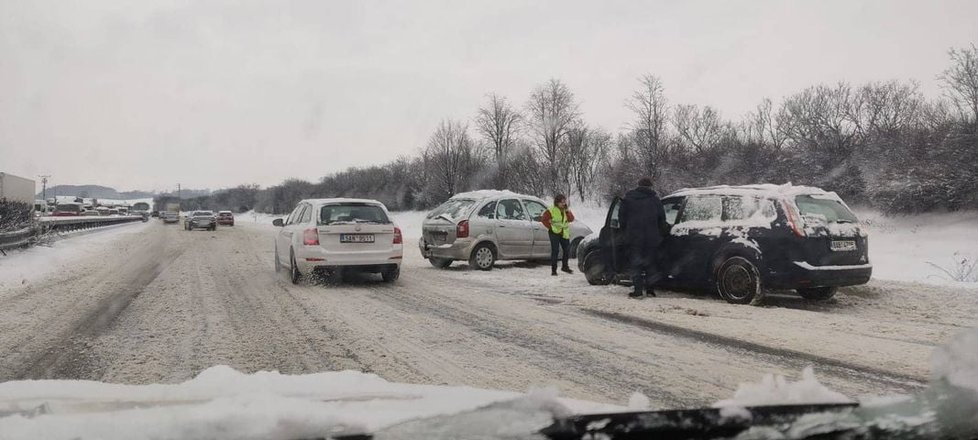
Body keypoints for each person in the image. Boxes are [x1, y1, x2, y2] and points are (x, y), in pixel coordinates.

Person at [619, 177, 669, 298]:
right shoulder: (655, 200)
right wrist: (661, 233)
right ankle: (650, 290)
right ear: (650, 186)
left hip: (634, 238)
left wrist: (626, 231)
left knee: (636, 264)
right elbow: (662, 219)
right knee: (650, 264)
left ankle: (638, 291)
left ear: (638, 185)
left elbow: (622, 218)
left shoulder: (629, 199)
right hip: (651, 239)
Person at [541, 194, 576, 276]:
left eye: (564, 202)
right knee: (555, 251)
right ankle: (554, 270)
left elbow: (571, 219)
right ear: (557, 202)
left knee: (567, 250)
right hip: (554, 233)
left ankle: (565, 267)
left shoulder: (565, 210)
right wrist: (551, 227)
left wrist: (567, 211)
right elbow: (544, 219)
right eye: (562, 202)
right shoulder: (551, 209)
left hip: (564, 233)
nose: (563, 203)